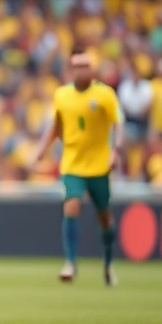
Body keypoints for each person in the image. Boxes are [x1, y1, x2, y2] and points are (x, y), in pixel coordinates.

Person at [31, 49, 123, 285]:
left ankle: (108, 263)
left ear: (92, 69)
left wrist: (116, 151)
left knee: (104, 217)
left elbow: (117, 124)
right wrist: (40, 151)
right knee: (71, 206)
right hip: (72, 164)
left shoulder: (104, 94)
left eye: (85, 66)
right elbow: (56, 126)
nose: (80, 70)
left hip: (100, 165)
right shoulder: (62, 95)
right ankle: (70, 262)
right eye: (76, 66)